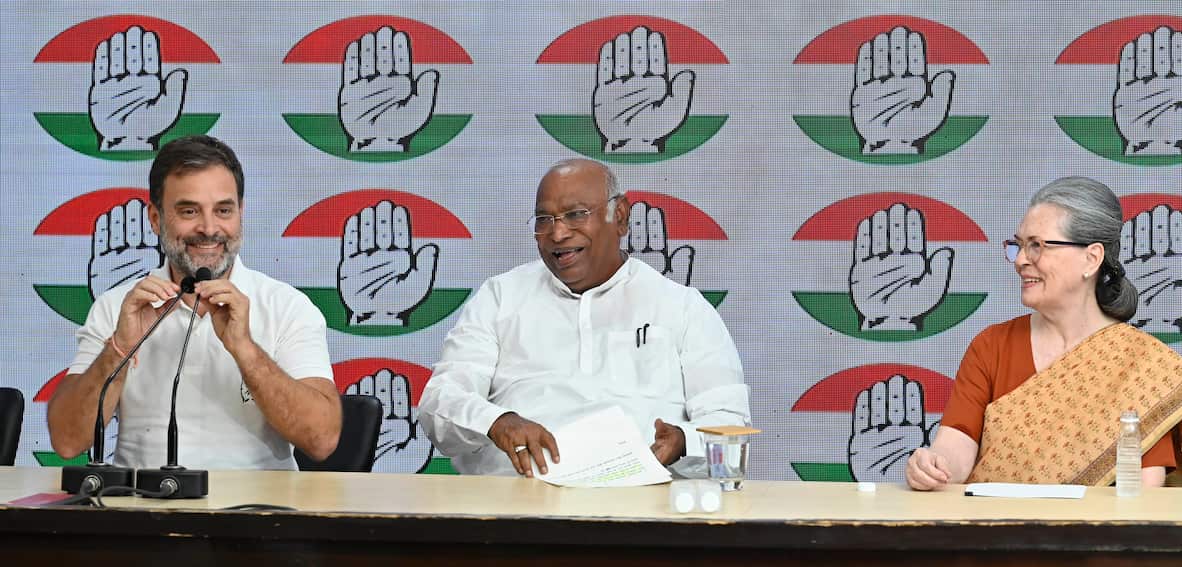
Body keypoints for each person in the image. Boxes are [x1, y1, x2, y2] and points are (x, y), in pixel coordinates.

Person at [419, 158, 749, 477]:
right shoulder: (501, 296)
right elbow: (440, 404)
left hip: (642, 502)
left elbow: (730, 431)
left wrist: (682, 442)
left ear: (620, 216)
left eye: (576, 214)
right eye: (544, 219)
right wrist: (496, 421)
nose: (558, 234)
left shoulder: (682, 306)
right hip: (514, 500)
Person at [48, 135, 341, 470]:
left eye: (223, 210)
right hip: (141, 501)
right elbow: (68, 441)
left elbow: (321, 440)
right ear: (155, 218)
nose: (209, 228)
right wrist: (119, 349)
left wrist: (245, 349)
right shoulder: (118, 307)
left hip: (258, 502)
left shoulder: (287, 307)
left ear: (241, 213)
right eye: (189, 211)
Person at [906, 177, 1182, 490]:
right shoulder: (992, 346)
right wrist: (933, 465)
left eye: (1037, 246)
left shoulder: (1141, 363)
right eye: (1018, 245)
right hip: (994, 521)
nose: (1020, 260)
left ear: (1091, 258)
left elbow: (1143, 488)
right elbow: (955, 447)